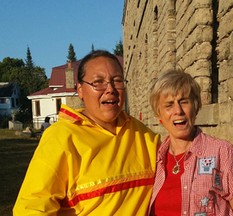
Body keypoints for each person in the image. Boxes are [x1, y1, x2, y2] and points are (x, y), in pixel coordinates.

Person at [13, 50, 160, 215]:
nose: (110, 89)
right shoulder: (61, 137)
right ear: (80, 90)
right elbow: (32, 208)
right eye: (98, 82)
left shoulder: (144, 135)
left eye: (117, 81)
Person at [148, 69, 233, 216]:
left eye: (184, 102)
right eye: (169, 105)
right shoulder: (154, 159)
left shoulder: (221, 152)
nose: (178, 111)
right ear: (158, 115)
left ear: (196, 106)